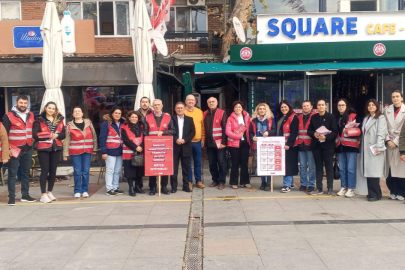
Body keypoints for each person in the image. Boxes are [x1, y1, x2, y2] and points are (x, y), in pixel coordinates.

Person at [2, 95, 36, 206]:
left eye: (25, 103)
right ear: (16, 102)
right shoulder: (8, 116)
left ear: (28, 103)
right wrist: (7, 149)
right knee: (12, 174)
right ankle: (11, 197)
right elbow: (3, 135)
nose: (23, 105)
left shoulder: (31, 115)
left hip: (27, 148)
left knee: (26, 173)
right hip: (14, 149)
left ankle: (25, 195)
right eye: (21, 102)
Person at [32, 102, 65, 203]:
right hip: (43, 148)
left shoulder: (59, 120)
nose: (51, 110)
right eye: (49, 108)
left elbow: (63, 134)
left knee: (53, 170)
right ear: (45, 108)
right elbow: (35, 135)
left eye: (53, 109)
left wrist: (57, 136)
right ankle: (43, 194)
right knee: (44, 170)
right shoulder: (38, 120)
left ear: (55, 110)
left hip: (56, 147)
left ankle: (50, 192)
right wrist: (49, 135)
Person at [63, 107, 98, 198]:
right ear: (73, 114)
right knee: (77, 171)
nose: (77, 113)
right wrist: (65, 153)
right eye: (75, 111)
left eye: (79, 111)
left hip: (87, 151)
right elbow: (66, 140)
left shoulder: (88, 123)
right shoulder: (69, 126)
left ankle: (85, 190)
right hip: (75, 152)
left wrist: (95, 148)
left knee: (85, 171)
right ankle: (77, 190)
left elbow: (94, 136)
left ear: (82, 113)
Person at [144, 99, 176, 195]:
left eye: (158, 105)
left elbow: (173, 130)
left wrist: (163, 132)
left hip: (164, 147)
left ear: (162, 106)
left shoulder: (168, 117)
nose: (157, 106)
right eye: (155, 105)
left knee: (164, 167)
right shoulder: (147, 117)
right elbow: (145, 132)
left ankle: (164, 187)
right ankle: (152, 188)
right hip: (152, 147)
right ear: (152, 106)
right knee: (152, 167)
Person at [308, 99, 338, 196]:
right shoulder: (313, 117)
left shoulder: (331, 117)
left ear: (326, 106)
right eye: (319, 105)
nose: (320, 107)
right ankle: (319, 188)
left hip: (328, 146)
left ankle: (330, 188)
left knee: (329, 167)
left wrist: (326, 137)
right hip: (316, 145)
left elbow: (334, 131)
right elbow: (309, 130)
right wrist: (314, 134)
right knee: (318, 167)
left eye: (322, 105)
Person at [334, 99, 362, 198]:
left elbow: (360, 130)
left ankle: (351, 188)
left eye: (343, 105)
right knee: (342, 168)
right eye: (339, 105)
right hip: (340, 146)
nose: (341, 107)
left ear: (346, 106)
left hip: (351, 146)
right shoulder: (336, 117)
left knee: (350, 169)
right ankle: (343, 187)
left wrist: (349, 130)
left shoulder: (353, 116)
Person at [361, 99, 387, 202]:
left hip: (375, 148)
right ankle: (376, 193)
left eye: (373, 105)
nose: (371, 107)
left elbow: (381, 133)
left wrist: (379, 147)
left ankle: (374, 194)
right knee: (369, 172)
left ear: (377, 107)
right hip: (367, 148)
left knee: (373, 172)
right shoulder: (366, 118)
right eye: (369, 105)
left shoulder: (380, 118)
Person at [384, 90, 405, 201]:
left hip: (400, 144)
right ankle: (393, 191)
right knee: (390, 169)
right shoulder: (387, 110)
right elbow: (384, 127)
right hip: (389, 143)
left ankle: (401, 192)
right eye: (393, 97)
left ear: (401, 98)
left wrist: (395, 142)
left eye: (397, 96)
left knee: (401, 170)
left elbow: (403, 131)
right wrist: (388, 140)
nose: (395, 99)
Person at [100, 106, 125, 196]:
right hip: (110, 151)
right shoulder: (106, 123)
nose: (117, 115)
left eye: (119, 113)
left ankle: (115, 187)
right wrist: (104, 151)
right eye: (115, 113)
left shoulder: (123, 123)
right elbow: (102, 138)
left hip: (120, 150)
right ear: (112, 113)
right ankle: (109, 188)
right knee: (110, 170)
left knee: (118, 170)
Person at [249, 103, 275, 191]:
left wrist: (269, 133)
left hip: (269, 146)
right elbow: (250, 132)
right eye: (260, 109)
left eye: (263, 109)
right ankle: (263, 182)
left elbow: (275, 130)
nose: (262, 110)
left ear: (266, 110)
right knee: (261, 164)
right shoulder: (253, 120)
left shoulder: (270, 119)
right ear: (257, 110)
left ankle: (268, 182)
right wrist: (253, 137)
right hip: (258, 145)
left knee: (269, 164)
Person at [225, 101, 251, 189]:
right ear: (234, 109)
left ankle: (245, 181)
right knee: (235, 163)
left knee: (244, 162)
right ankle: (233, 182)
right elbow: (227, 131)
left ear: (242, 108)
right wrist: (237, 136)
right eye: (236, 107)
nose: (238, 109)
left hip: (245, 143)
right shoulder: (230, 118)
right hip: (234, 144)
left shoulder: (247, 117)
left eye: (239, 107)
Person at [203, 97, 227, 190]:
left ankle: (222, 181)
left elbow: (225, 128)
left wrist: (224, 142)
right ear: (207, 104)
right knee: (212, 163)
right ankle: (215, 180)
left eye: (213, 102)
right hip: (209, 143)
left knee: (221, 163)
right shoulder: (205, 113)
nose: (211, 103)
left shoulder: (222, 113)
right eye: (209, 102)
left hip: (220, 143)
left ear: (217, 103)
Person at [172, 102, 196, 193]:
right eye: (178, 108)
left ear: (184, 109)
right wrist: (176, 139)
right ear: (175, 109)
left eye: (181, 108)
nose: (180, 109)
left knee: (186, 168)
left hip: (186, 146)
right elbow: (169, 131)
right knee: (174, 168)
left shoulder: (190, 119)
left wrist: (185, 140)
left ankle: (186, 186)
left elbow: (193, 132)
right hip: (175, 146)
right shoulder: (171, 119)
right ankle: (174, 187)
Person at [276, 100, 299, 193]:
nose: (283, 108)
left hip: (289, 146)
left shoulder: (293, 117)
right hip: (283, 145)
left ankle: (287, 185)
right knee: (288, 164)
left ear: (289, 107)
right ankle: (291, 183)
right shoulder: (281, 117)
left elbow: (294, 132)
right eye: (282, 107)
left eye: (285, 107)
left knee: (287, 165)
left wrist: (289, 144)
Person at [121, 111, 145, 196]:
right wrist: (136, 147)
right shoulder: (124, 127)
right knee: (130, 171)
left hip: (140, 153)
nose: (134, 119)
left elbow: (144, 138)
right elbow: (126, 140)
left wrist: (141, 147)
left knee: (139, 171)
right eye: (132, 117)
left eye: (136, 117)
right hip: (129, 153)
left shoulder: (142, 127)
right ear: (129, 118)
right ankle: (131, 188)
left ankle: (137, 187)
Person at [184, 94, 205, 189]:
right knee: (188, 163)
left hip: (197, 141)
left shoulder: (199, 112)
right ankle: (189, 181)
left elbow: (202, 127)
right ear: (186, 101)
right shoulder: (182, 111)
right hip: (187, 142)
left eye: (192, 100)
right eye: (189, 100)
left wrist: (203, 138)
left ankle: (199, 181)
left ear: (195, 102)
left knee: (198, 162)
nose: (191, 102)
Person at [296, 101, 316, 192]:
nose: (306, 107)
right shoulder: (298, 117)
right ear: (302, 107)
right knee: (303, 166)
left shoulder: (315, 117)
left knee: (312, 166)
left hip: (310, 145)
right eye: (304, 106)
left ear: (311, 107)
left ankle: (311, 184)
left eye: (308, 106)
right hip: (301, 144)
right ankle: (303, 184)